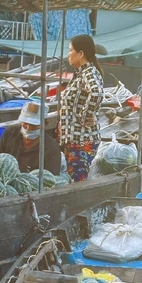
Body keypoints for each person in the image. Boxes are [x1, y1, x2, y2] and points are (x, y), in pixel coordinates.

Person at [58, 34, 104, 182]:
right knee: (75, 180)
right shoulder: (81, 73)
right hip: (75, 140)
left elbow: (96, 92)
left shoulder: (88, 72)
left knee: (78, 184)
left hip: (82, 140)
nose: (68, 54)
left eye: (70, 50)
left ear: (81, 53)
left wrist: (84, 116)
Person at [0, 101, 62, 175]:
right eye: (25, 123)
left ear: (45, 123)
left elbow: (51, 180)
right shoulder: (10, 132)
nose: (28, 128)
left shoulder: (52, 149)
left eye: (34, 124)